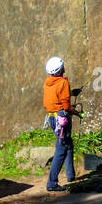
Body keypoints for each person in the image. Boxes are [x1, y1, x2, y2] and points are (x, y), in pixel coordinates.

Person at [43, 56, 79, 193]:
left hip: (52, 118)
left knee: (68, 144)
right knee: (61, 149)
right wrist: (77, 113)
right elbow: (66, 106)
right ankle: (52, 183)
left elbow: (55, 97)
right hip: (62, 119)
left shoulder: (47, 82)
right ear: (60, 69)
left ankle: (71, 176)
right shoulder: (63, 83)